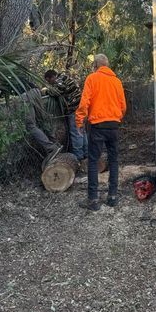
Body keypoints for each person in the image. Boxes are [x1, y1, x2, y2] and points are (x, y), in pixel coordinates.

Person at [76, 54, 126, 211]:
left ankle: (93, 200)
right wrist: (116, 118)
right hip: (113, 125)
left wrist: (79, 121)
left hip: (97, 125)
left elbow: (85, 102)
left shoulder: (92, 78)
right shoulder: (116, 81)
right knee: (114, 160)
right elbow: (123, 105)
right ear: (107, 65)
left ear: (95, 65)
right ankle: (112, 197)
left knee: (93, 161)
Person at [44, 68, 87, 161]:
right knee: (81, 131)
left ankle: (79, 157)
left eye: (49, 81)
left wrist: (45, 91)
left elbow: (57, 91)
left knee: (76, 132)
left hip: (74, 109)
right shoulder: (65, 77)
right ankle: (86, 153)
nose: (50, 84)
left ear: (52, 77)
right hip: (80, 107)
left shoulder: (60, 81)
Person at [23, 85, 62, 161]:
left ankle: (51, 148)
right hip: (35, 90)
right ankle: (56, 144)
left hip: (25, 94)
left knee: (30, 125)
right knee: (42, 120)